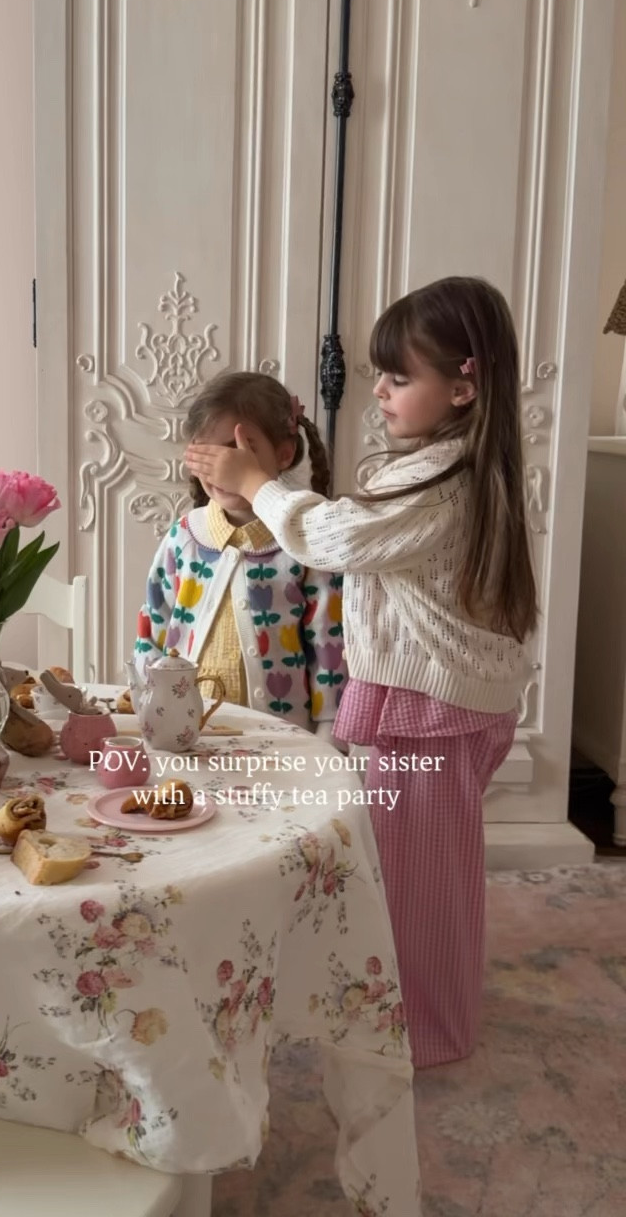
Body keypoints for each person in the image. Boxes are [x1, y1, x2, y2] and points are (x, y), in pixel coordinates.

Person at [185, 276, 538, 1068]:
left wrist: (257, 485)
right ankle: (406, 1004)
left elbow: (336, 538)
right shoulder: (447, 466)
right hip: (433, 698)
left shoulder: (443, 483)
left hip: (431, 706)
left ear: (463, 383)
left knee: (417, 881)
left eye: (399, 376)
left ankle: (424, 1029)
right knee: (415, 868)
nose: (376, 387)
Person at [134, 371, 346, 741]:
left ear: (284, 452)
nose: (222, 466)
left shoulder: (305, 544)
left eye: (237, 449)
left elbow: (329, 644)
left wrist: (329, 735)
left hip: (282, 743)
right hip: (189, 736)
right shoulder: (185, 537)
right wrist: (149, 702)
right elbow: (153, 628)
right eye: (208, 451)